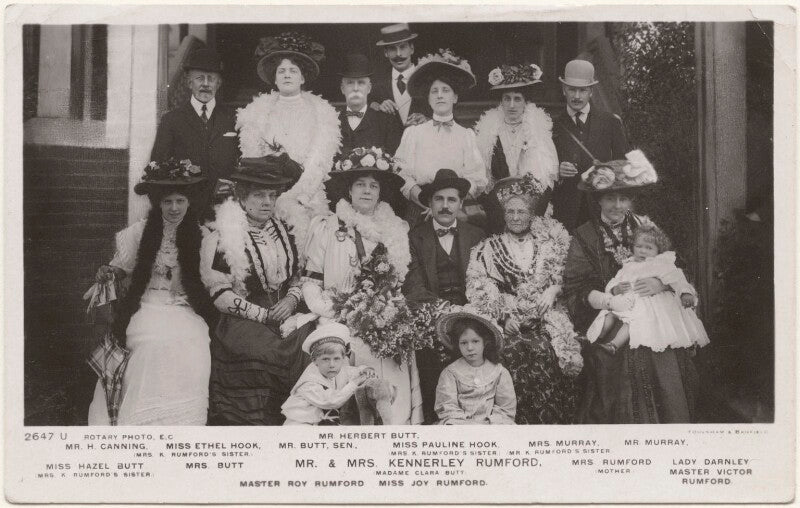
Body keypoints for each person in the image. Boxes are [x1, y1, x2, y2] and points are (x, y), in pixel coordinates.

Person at [562, 155, 701, 423]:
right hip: (613, 314)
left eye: (623, 199)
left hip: (654, 306)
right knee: (621, 352)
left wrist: (659, 283)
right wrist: (610, 300)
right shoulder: (585, 235)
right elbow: (576, 286)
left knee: (661, 346)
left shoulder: (645, 226)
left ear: (631, 201)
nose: (617, 205)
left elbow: (675, 265)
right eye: (610, 198)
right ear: (599, 200)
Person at [298, 146, 422, 425]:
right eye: (360, 185)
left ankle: (394, 422)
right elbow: (310, 281)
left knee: (393, 345)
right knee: (353, 346)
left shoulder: (395, 230)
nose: (367, 191)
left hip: (383, 314)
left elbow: (400, 281)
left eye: (373, 186)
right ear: (349, 190)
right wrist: (334, 311)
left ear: (380, 192)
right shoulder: (327, 227)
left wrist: (386, 310)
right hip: (338, 314)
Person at [88, 161, 215, 425]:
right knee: (151, 342)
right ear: (158, 203)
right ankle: (140, 420)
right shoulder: (139, 233)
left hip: (183, 307)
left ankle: (181, 421)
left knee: (194, 342)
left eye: (180, 200)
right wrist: (109, 272)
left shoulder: (203, 236)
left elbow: (211, 282)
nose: (174, 208)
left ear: (189, 202)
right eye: (167, 201)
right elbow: (120, 267)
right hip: (146, 305)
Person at [200, 156, 311, 425]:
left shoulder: (284, 229)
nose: (267, 202)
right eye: (259, 195)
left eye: (272, 195)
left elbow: (299, 276)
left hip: (285, 308)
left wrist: (292, 299)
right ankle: (259, 422)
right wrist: (263, 316)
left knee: (308, 341)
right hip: (244, 315)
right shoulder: (222, 235)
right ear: (241, 197)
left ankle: (298, 420)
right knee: (265, 349)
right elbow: (220, 295)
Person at [466, 174, 583, 424]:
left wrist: (553, 290)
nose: (516, 217)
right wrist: (503, 315)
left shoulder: (549, 245)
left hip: (545, 319)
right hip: (511, 324)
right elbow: (480, 286)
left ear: (531, 214)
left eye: (521, 211)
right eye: (510, 211)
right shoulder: (489, 247)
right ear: (503, 214)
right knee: (514, 352)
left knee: (550, 351)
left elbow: (567, 277)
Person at [237, 31, 341, 254]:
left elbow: (320, 160)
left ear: (303, 78)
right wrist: (271, 194)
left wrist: (298, 195)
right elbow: (251, 156)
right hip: (266, 194)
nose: (287, 75)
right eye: (281, 71)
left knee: (308, 249)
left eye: (293, 71)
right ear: (274, 78)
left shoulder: (322, 111)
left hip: (308, 195)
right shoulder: (257, 111)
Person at [403, 168, 486, 423]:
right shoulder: (414, 237)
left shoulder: (477, 235)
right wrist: (444, 311)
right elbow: (414, 287)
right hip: (432, 314)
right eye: (439, 199)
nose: (446, 206)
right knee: (431, 357)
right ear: (429, 203)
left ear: (461, 203)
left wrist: (470, 312)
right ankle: (436, 419)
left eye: (452, 200)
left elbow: (485, 282)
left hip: (472, 313)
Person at [586, 223, 710, 354]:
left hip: (651, 305)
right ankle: (593, 339)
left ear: (658, 250)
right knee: (609, 314)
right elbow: (615, 281)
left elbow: (677, 279)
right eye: (638, 246)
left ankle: (614, 345)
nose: (642, 251)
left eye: (649, 248)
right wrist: (615, 289)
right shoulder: (629, 265)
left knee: (632, 321)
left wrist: (685, 293)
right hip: (628, 301)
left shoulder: (660, 264)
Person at [395, 49, 487, 225]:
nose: (439, 95)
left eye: (445, 90)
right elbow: (401, 173)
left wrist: (452, 204)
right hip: (420, 208)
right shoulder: (414, 133)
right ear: (428, 99)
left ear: (455, 97)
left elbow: (477, 178)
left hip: (457, 211)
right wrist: (425, 201)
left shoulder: (466, 135)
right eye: (434, 91)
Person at [150, 48, 239, 213]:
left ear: (218, 84)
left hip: (225, 211)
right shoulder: (171, 120)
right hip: (186, 211)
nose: (205, 84)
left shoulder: (234, 119)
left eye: (211, 79)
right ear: (189, 83)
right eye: (199, 78)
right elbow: (157, 170)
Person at [474, 62, 559, 234]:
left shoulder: (537, 132)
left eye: (517, 98)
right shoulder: (488, 132)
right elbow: (482, 179)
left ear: (526, 102)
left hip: (532, 209)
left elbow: (547, 180)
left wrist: (530, 211)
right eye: (507, 98)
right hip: (497, 211)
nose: (512, 105)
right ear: (501, 101)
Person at [551, 59, 630, 232]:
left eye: (583, 90)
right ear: (564, 90)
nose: (577, 96)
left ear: (591, 91)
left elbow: (623, 168)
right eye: (572, 89)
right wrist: (558, 170)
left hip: (601, 208)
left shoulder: (610, 122)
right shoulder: (552, 125)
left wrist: (605, 173)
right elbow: (542, 169)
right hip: (565, 211)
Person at [282, 323, 375, 426]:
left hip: (321, 422)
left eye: (336, 359)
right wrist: (354, 383)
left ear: (343, 358)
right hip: (301, 424)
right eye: (325, 359)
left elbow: (351, 371)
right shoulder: (309, 382)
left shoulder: (338, 369)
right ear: (314, 361)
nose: (332, 365)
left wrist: (365, 370)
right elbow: (330, 401)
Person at [434, 309, 516, 425]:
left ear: (485, 342)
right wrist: (468, 426)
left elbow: (505, 409)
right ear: (458, 344)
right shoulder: (450, 373)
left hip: (491, 427)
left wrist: (487, 425)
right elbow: (447, 407)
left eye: (475, 341)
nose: (470, 348)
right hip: (460, 426)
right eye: (464, 343)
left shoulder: (499, 372)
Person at [337, 54, 403, 157]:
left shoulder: (387, 121)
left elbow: (395, 163)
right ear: (342, 88)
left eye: (361, 83)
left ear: (369, 88)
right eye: (350, 83)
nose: (355, 88)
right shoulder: (332, 122)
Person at [370, 23, 430, 127]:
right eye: (392, 49)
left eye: (403, 47)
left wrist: (428, 120)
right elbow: (365, 106)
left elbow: (446, 116)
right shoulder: (377, 83)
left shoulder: (428, 80)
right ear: (386, 53)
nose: (398, 54)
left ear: (412, 49)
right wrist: (378, 106)